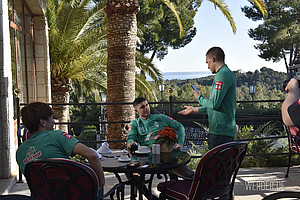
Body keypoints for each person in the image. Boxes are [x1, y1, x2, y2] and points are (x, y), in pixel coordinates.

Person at [16, 102, 105, 192]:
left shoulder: (20, 152)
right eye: (51, 118)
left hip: (45, 196)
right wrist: (100, 184)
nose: (53, 121)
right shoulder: (57, 136)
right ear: (43, 122)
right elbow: (92, 155)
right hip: (73, 193)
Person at [178, 47, 236, 149]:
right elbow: (217, 106)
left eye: (207, 62)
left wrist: (199, 97)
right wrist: (193, 109)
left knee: (216, 164)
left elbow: (214, 104)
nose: (208, 66)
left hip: (221, 134)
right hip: (221, 132)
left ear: (213, 58)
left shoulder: (222, 74)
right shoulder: (224, 73)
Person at [127, 97, 194, 178]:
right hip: (148, 157)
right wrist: (131, 142)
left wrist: (180, 143)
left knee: (190, 175)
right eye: (142, 107)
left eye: (147, 105)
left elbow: (180, 126)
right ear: (136, 111)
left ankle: (196, 187)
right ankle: (144, 191)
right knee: (131, 172)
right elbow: (131, 136)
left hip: (166, 155)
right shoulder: (135, 123)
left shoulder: (161, 117)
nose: (146, 108)